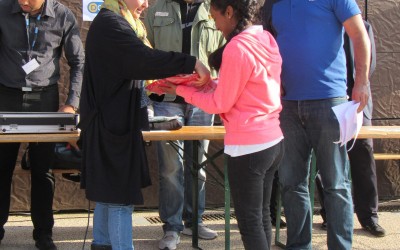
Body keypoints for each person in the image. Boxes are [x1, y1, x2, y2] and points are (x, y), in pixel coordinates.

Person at [79, 0, 211, 249]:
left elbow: (132, 69)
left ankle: (102, 244)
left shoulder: (118, 22)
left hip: (113, 125)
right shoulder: (111, 24)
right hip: (111, 127)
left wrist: (153, 84)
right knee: (119, 200)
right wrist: (190, 62)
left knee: (107, 198)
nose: (146, 4)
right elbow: (142, 59)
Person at [160, 0, 284, 248]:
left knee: (249, 223)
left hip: (248, 146)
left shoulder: (237, 48)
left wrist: (182, 91)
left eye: (215, 18)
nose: (215, 27)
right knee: (260, 218)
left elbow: (220, 104)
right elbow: (245, 86)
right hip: (272, 140)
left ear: (230, 12)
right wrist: (205, 84)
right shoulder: (265, 39)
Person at [263, 0, 371, 249]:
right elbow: (266, 47)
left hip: (329, 102)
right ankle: (299, 245)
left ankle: (340, 246)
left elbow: (359, 34)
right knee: (291, 183)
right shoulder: (273, 3)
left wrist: (362, 81)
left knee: (336, 184)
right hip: (286, 105)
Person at [0, 0, 84, 249]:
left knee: (43, 169)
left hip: (44, 98)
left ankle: (44, 234)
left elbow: (79, 62)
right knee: (1, 168)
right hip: (6, 97)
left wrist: (71, 103)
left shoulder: (62, 15)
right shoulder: (3, 10)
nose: (23, 2)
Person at [143, 0, 224, 248]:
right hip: (167, 99)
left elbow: (223, 56)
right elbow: (144, 53)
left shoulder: (215, 10)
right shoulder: (155, 10)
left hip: (203, 100)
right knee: (170, 167)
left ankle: (194, 221)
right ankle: (172, 227)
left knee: (198, 164)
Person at [316, 19, 386, 237]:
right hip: (326, 100)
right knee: (326, 158)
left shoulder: (363, 26)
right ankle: (330, 214)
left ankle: (369, 216)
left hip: (356, 102)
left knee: (363, 154)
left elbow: (369, 62)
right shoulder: (321, 24)